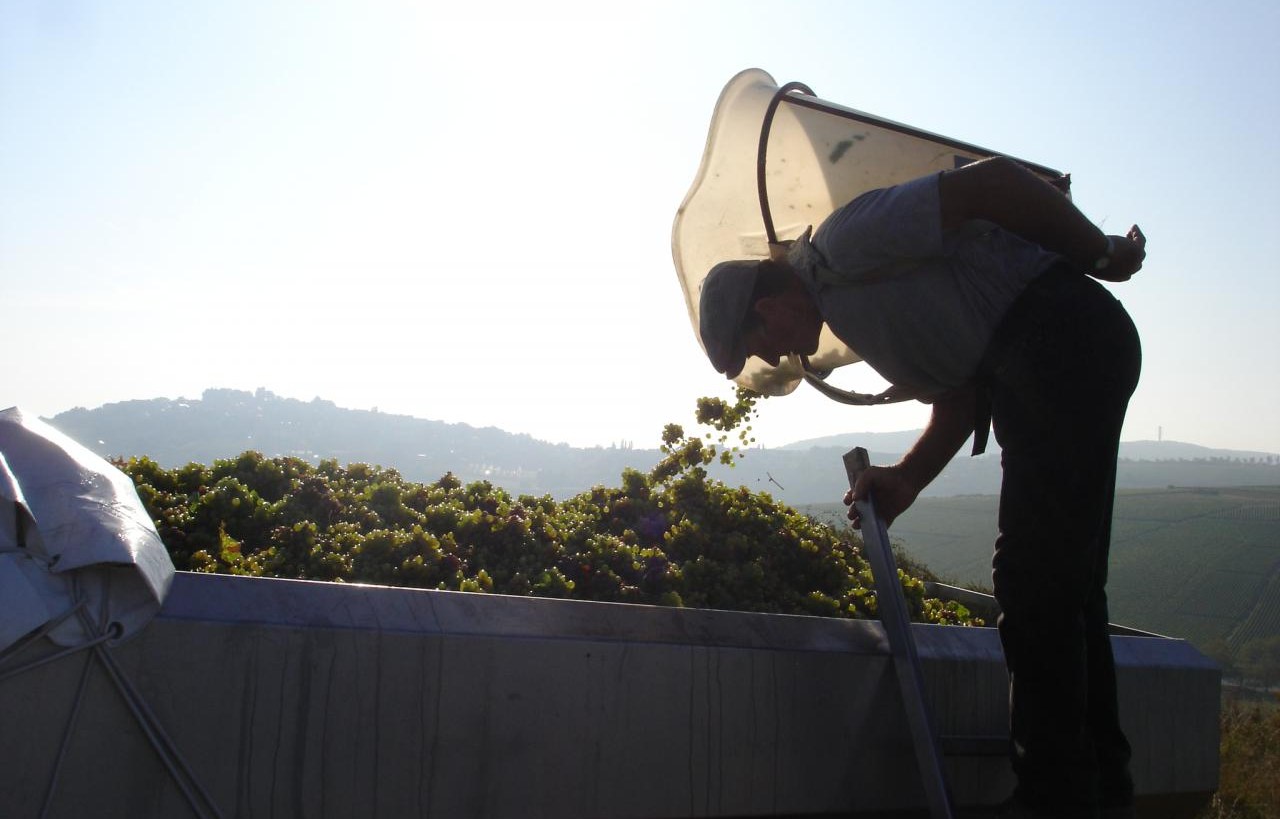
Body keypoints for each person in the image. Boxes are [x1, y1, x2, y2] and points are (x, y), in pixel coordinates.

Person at [697, 156, 1146, 819]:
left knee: (1031, 583)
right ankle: (1101, 790)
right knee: (1068, 588)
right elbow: (961, 397)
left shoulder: (845, 244)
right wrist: (906, 478)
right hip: (1036, 365)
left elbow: (986, 185)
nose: (783, 358)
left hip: (1058, 339)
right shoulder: (852, 307)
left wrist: (1098, 249)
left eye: (764, 347)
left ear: (767, 307)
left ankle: (1056, 797)